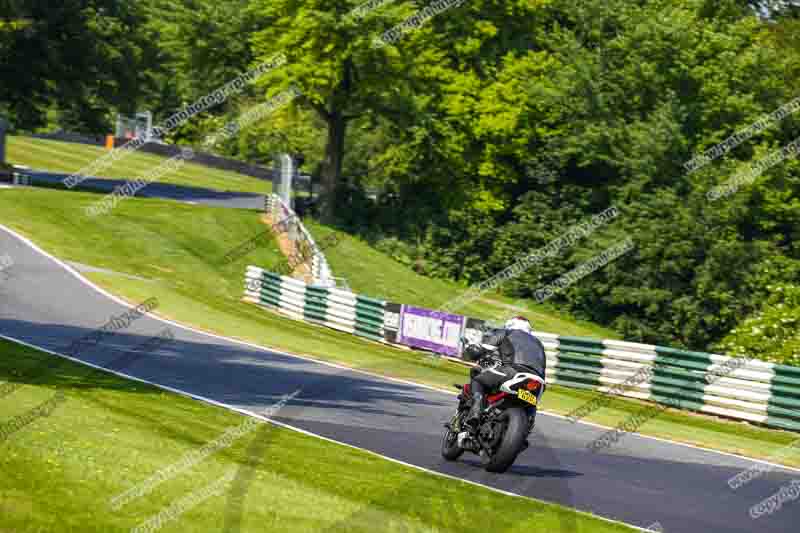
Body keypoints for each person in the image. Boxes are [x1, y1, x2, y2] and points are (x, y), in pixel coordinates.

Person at [463, 316, 547, 430]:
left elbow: (482, 350)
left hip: (512, 371)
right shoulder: (539, 344)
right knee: (531, 403)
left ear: (509, 325)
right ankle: (527, 427)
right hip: (538, 382)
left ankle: (475, 413)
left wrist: (473, 351)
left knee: (478, 380)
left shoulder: (506, 333)